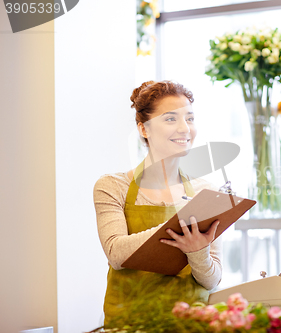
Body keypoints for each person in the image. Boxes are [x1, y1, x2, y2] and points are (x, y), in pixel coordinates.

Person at [93, 80, 222, 326]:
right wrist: (181, 229)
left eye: (190, 119)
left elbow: (213, 280)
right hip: (129, 325)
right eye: (171, 119)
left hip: (190, 325)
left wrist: (198, 251)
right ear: (144, 129)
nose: (185, 128)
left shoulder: (207, 192)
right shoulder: (112, 186)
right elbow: (116, 253)